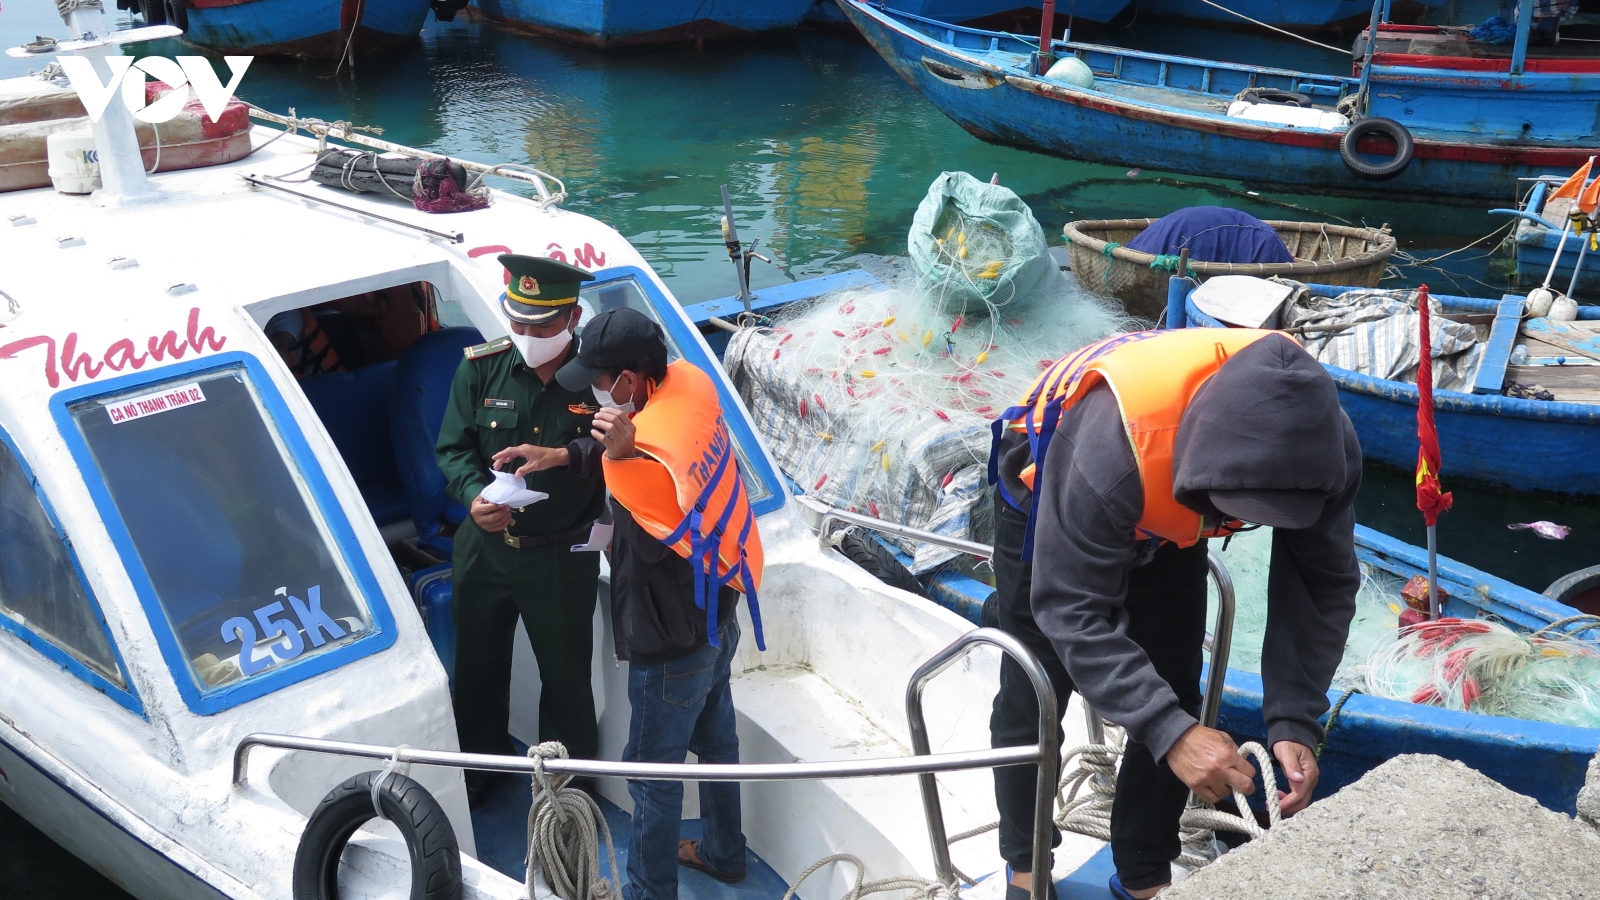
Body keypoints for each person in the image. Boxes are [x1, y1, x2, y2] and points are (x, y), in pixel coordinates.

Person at [985, 328, 1361, 899]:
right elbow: (1070, 606)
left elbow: (1321, 581)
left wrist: (1294, 718)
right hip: (1051, 486)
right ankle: (1025, 864)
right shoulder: (1109, 453)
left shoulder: (1326, 450)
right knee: (1035, 687)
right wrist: (1170, 734)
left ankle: (1143, 875)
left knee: (1175, 686)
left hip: (1173, 515)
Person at [548, 307, 766, 900]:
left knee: (653, 774)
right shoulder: (689, 385)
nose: (597, 392)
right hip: (720, 611)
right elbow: (653, 450)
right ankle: (724, 851)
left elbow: (645, 507)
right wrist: (564, 455)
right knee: (719, 744)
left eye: (602, 379)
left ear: (630, 381)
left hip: (669, 643)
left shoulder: (647, 457)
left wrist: (617, 458)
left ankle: (648, 892)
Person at [435, 255, 606, 806]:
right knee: (478, 669)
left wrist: (564, 456)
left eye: (543, 325)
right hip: (485, 550)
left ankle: (566, 791)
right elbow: (453, 448)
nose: (528, 336)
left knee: (566, 680)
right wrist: (472, 497)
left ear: (573, 316)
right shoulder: (480, 368)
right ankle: (477, 776)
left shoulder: (601, 379)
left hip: (560, 554)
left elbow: (625, 452)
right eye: (519, 323)